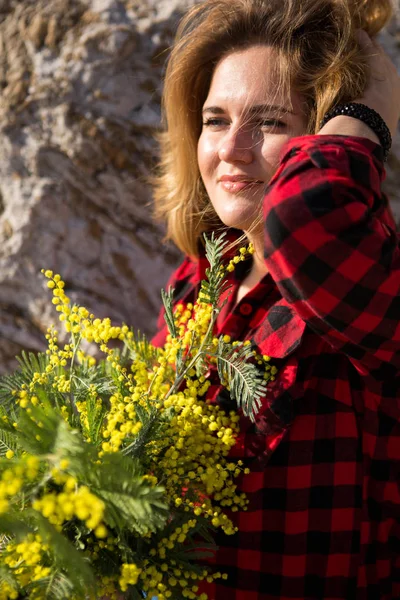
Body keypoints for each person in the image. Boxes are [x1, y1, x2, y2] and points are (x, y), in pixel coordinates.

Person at [151, 0, 400, 598]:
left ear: (324, 135)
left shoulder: (366, 278)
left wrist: (368, 114)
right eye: (215, 119)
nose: (231, 149)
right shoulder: (197, 284)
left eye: (269, 122)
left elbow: (304, 222)